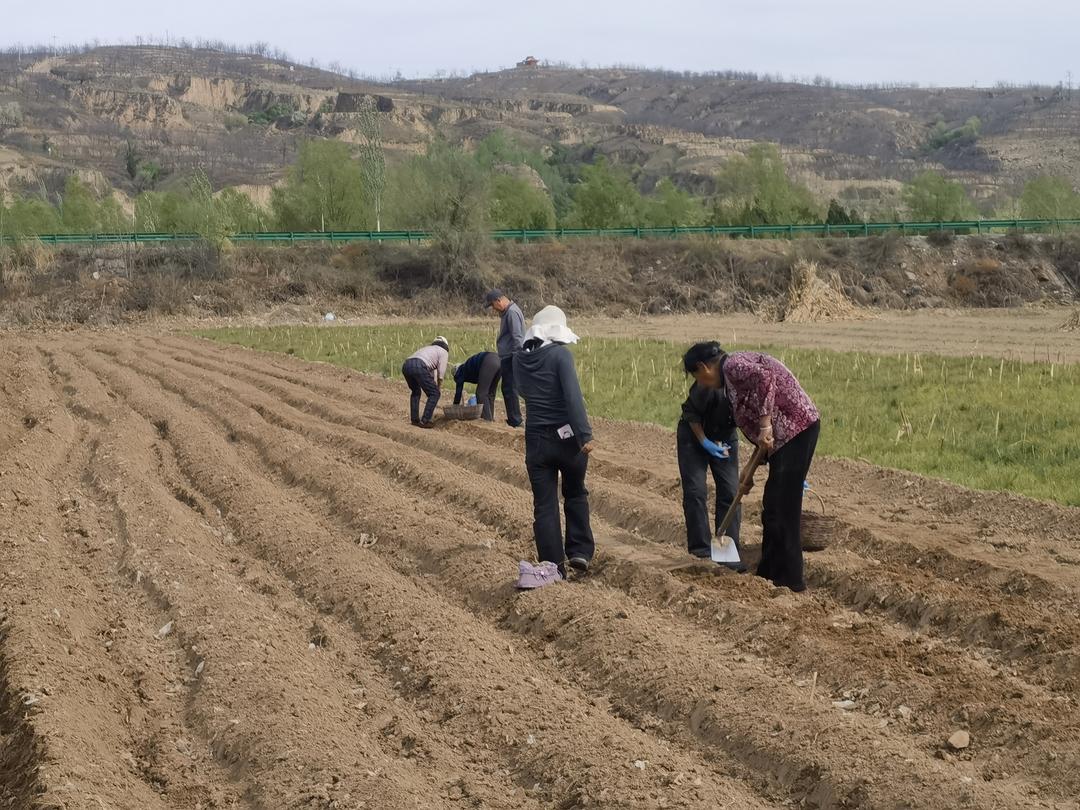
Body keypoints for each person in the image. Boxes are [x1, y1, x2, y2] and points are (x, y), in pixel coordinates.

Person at [683, 342, 820, 592]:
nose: (700, 382)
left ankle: (791, 581)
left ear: (704, 367)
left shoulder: (732, 366)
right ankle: (768, 573)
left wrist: (766, 424)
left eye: (697, 376)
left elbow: (765, 378)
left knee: (783, 509)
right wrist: (749, 468)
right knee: (772, 507)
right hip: (783, 441)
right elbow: (759, 431)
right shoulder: (730, 384)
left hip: (796, 431)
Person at [513, 306, 594, 587]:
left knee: (544, 504)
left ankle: (553, 565)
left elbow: (520, 391)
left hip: (536, 440)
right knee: (575, 494)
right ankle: (580, 551)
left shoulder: (518, 359)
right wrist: (584, 435)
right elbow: (573, 398)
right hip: (568, 439)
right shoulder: (561, 355)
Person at [678, 368, 744, 570]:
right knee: (696, 490)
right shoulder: (710, 384)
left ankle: (727, 553)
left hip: (725, 436)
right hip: (693, 435)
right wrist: (705, 441)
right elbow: (690, 413)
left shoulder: (750, 397)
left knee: (731, 491)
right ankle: (701, 550)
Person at [484, 289, 525, 427]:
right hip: (508, 356)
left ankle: (516, 420)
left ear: (498, 301)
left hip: (511, 356)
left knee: (509, 388)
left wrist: (517, 357)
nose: (494, 309)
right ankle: (514, 418)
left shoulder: (512, 313)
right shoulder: (509, 312)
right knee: (508, 388)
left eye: (493, 305)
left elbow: (517, 337)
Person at [401, 336, 450, 428]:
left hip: (406, 365)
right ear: (446, 346)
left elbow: (431, 374)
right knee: (434, 394)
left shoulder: (429, 349)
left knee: (416, 392)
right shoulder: (443, 352)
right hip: (419, 365)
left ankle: (415, 420)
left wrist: (433, 385)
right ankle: (425, 421)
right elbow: (441, 374)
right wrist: (438, 388)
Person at [452, 350, 502, 421]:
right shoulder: (467, 367)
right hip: (499, 360)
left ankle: (487, 420)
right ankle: (490, 417)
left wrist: (454, 408)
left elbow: (458, 393)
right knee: (490, 394)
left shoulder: (459, 372)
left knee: (481, 394)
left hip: (488, 361)